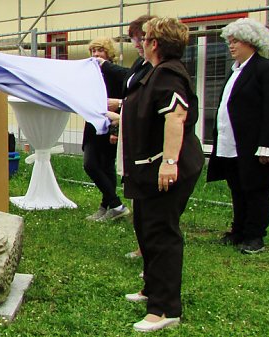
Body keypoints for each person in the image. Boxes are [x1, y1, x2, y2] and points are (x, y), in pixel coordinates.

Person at [120, 17, 203, 332]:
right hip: (146, 170)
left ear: (155, 43)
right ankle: (152, 289)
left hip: (165, 169)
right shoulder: (153, 74)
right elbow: (149, 114)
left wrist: (169, 162)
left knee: (162, 234)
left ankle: (165, 308)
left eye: (145, 37)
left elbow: (176, 116)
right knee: (145, 228)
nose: (141, 42)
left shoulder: (168, 74)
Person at [206, 18, 269, 254]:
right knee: (237, 187)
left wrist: (267, 144)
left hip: (253, 144)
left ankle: (255, 236)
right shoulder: (234, 71)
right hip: (232, 143)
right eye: (229, 41)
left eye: (236, 41)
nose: (231, 46)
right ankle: (239, 230)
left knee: (256, 189)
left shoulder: (267, 69)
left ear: (251, 42)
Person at [102, 14, 157, 259]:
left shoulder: (160, 69)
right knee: (135, 195)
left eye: (141, 38)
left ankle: (149, 247)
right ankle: (142, 245)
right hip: (131, 133)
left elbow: (146, 103)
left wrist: (119, 106)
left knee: (147, 199)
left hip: (147, 142)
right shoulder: (140, 64)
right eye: (135, 38)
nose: (137, 43)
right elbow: (133, 99)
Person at [84, 37, 129, 222]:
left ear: (108, 54)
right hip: (93, 126)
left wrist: (115, 132)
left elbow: (126, 97)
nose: (96, 55)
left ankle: (112, 206)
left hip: (112, 125)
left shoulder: (116, 73)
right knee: (91, 164)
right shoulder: (90, 74)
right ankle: (111, 205)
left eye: (100, 50)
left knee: (105, 166)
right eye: (93, 51)